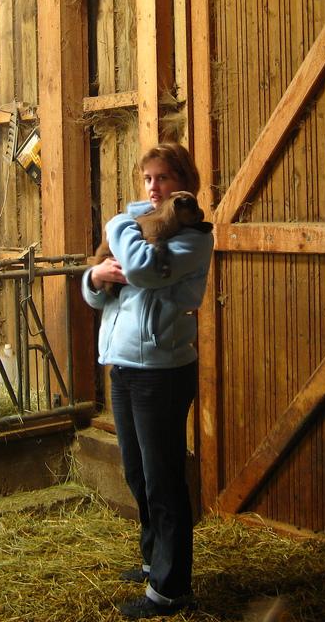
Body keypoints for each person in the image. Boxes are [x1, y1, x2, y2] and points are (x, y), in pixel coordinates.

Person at [82, 142, 214, 619]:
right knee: (137, 473)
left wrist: (118, 224)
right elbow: (103, 298)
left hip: (163, 369)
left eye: (162, 178)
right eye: (147, 180)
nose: (153, 188)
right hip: (124, 364)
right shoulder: (140, 229)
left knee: (163, 479)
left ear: (183, 183)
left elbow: (144, 270)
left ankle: (171, 588)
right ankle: (151, 560)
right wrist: (95, 277)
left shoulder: (192, 234)